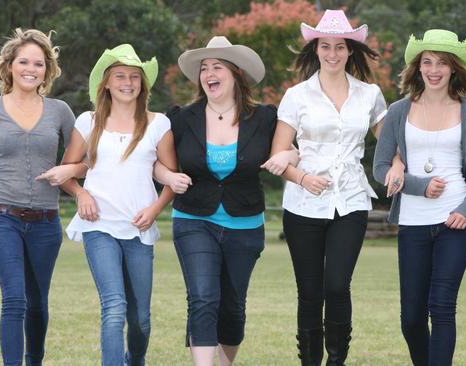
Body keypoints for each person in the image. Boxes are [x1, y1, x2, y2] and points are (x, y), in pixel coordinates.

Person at [153, 36, 297, 366]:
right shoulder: (180, 118)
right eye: (204, 68)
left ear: (236, 74)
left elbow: (291, 150)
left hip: (245, 224)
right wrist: (168, 177)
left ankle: (225, 362)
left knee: (233, 305)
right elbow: (157, 161)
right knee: (203, 297)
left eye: (218, 66)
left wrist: (288, 154)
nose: (209, 73)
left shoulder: (264, 118)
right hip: (193, 219)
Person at [267, 10, 387, 366]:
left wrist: (396, 163)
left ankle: (336, 361)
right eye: (325, 46)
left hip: (350, 203)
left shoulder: (371, 95)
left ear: (350, 50)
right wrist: (303, 177)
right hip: (303, 205)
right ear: (315, 49)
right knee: (309, 292)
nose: (332, 53)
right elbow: (278, 156)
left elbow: (391, 142)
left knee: (337, 286)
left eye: (339, 47)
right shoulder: (296, 96)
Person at [45, 44, 176, 365]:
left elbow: (171, 179)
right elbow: (69, 171)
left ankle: (136, 360)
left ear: (142, 84)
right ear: (106, 82)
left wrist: (155, 209)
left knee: (141, 318)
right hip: (98, 227)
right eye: (120, 76)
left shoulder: (159, 124)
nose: (127, 82)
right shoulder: (88, 122)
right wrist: (81, 194)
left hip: (138, 228)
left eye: (134, 76)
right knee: (114, 307)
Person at [372, 29, 466, 365]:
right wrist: (417, 185)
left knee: (441, 306)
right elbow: (380, 168)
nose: (434, 69)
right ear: (418, 67)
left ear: (454, 68)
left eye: (442, 62)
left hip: (455, 221)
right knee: (411, 317)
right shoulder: (398, 110)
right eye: (427, 62)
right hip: (412, 222)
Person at [0, 28, 77, 365]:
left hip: (46, 222)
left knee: (38, 302)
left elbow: (83, 160)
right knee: (14, 299)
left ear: (47, 70)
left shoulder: (60, 111)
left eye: (38, 63)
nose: (31, 68)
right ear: (9, 65)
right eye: (24, 61)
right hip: (0, 217)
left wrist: (72, 174)